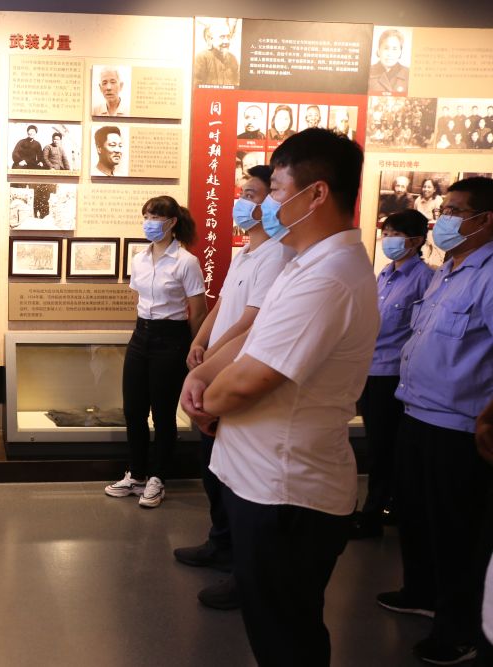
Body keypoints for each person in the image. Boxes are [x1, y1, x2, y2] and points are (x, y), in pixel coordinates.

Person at [180, 128, 378, 666]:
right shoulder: (304, 262)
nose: (266, 204)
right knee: (274, 625)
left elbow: (253, 379)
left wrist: (207, 404)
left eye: (275, 191)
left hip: (286, 492)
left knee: (286, 637)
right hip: (263, 481)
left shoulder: (329, 277)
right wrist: (201, 378)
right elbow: (251, 334)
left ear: (316, 194)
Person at [379, 177, 493, 665]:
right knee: (416, 515)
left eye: (454, 211)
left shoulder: (489, 275)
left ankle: (459, 630)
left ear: (484, 220)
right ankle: (421, 592)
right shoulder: (449, 270)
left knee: (456, 531)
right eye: (442, 210)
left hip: (459, 427)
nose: (442, 220)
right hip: (416, 412)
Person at [174, 165, 294, 610]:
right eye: (242, 192)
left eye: (255, 193)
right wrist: (199, 341)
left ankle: (237, 562)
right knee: (213, 464)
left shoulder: (278, 255)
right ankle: (220, 540)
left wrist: (212, 361)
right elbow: (222, 304)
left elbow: (251, 321)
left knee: (232, 472)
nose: (242, 201)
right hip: (217, 364)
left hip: (235, 370)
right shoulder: (245, 252)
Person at [105, 195, 207, 509]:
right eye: (146, 216)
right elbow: (141, 300)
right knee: (133, 409)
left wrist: (196, 350)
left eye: (155, 217)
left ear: (172, 222)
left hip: (172, 338)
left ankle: (158, 477)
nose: (149, 223)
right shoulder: (139, 258)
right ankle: (136, 473)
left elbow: (199, 311)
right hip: (141, 335)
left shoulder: (186, 261)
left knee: (163, 413)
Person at [350, 210, 432, 540]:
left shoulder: (423, 277)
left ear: (415, 240)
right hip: (371, 368)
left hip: (394, 374)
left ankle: (375, 514)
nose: (388, 240)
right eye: (386, 233)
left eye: (396, 234)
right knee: (377, 443)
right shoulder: (385, 273)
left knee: (384, 448)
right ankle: (386, 506)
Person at [194, 20, 239, 87]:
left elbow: (237, 85)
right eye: (222, 37)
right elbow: (196, 87)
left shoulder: (232, 58)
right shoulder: (202, 58)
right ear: (210, 39)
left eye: (228, 37)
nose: (227, 41)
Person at [368, 29, 409, 95]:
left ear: (400, 52)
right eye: (386, 48)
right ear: (378, 50)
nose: (390, 54)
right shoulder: (367, 73)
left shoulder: (408, 75)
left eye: (394, 49)